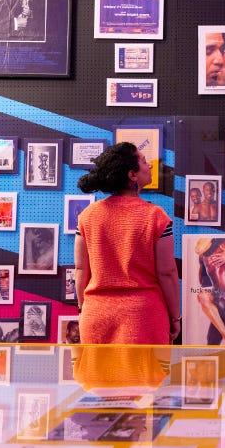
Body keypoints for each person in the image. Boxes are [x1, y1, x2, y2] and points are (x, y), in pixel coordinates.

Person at [74, 142, 181, 344]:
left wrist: (82, 308)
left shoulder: (87, 216)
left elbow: (81, 269)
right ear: (132, 175)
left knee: (100, 375)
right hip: (144, 317)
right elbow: (167, 272)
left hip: (96, 316)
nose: (149, 165)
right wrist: (175, 317)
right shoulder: (156, 217)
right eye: (143, 161)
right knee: (145, 375)